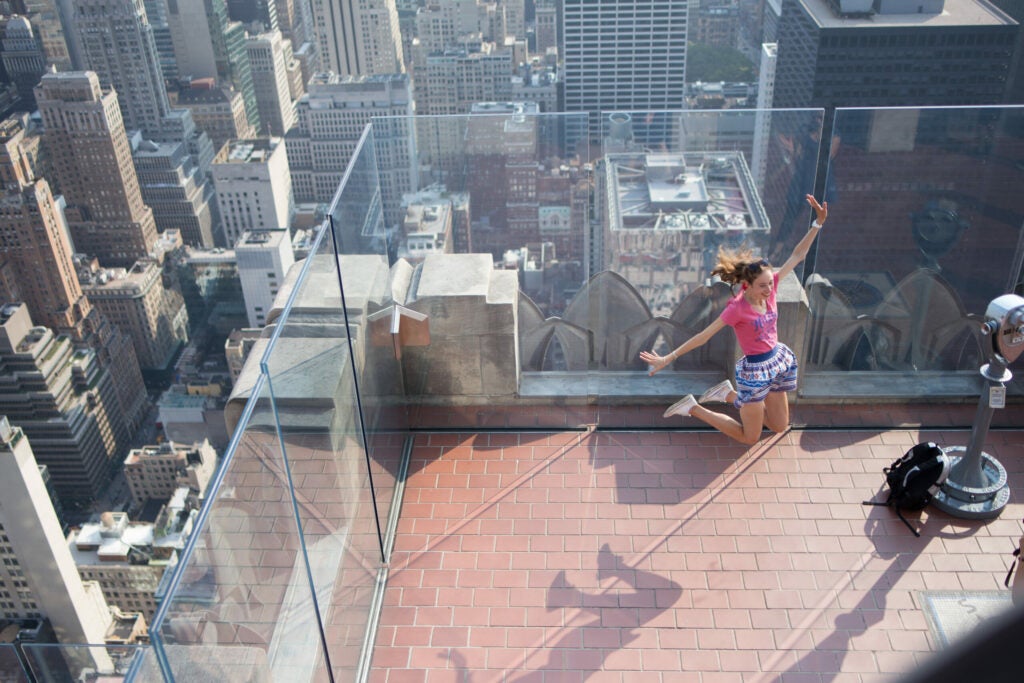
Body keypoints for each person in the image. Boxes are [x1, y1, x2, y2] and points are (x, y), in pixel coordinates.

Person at [639, 194, 828, 445]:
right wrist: (667, 357)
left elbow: (797, 255)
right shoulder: (736, 309)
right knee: (750, 437)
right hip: (755, 370)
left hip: (777, 361)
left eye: (770, 283)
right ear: (746, 285)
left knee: (780, 425)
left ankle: (727, 394)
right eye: (762, 286)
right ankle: (694, 408)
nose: (769, 290)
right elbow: (703, 336)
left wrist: (818, 224)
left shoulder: (770, 287)